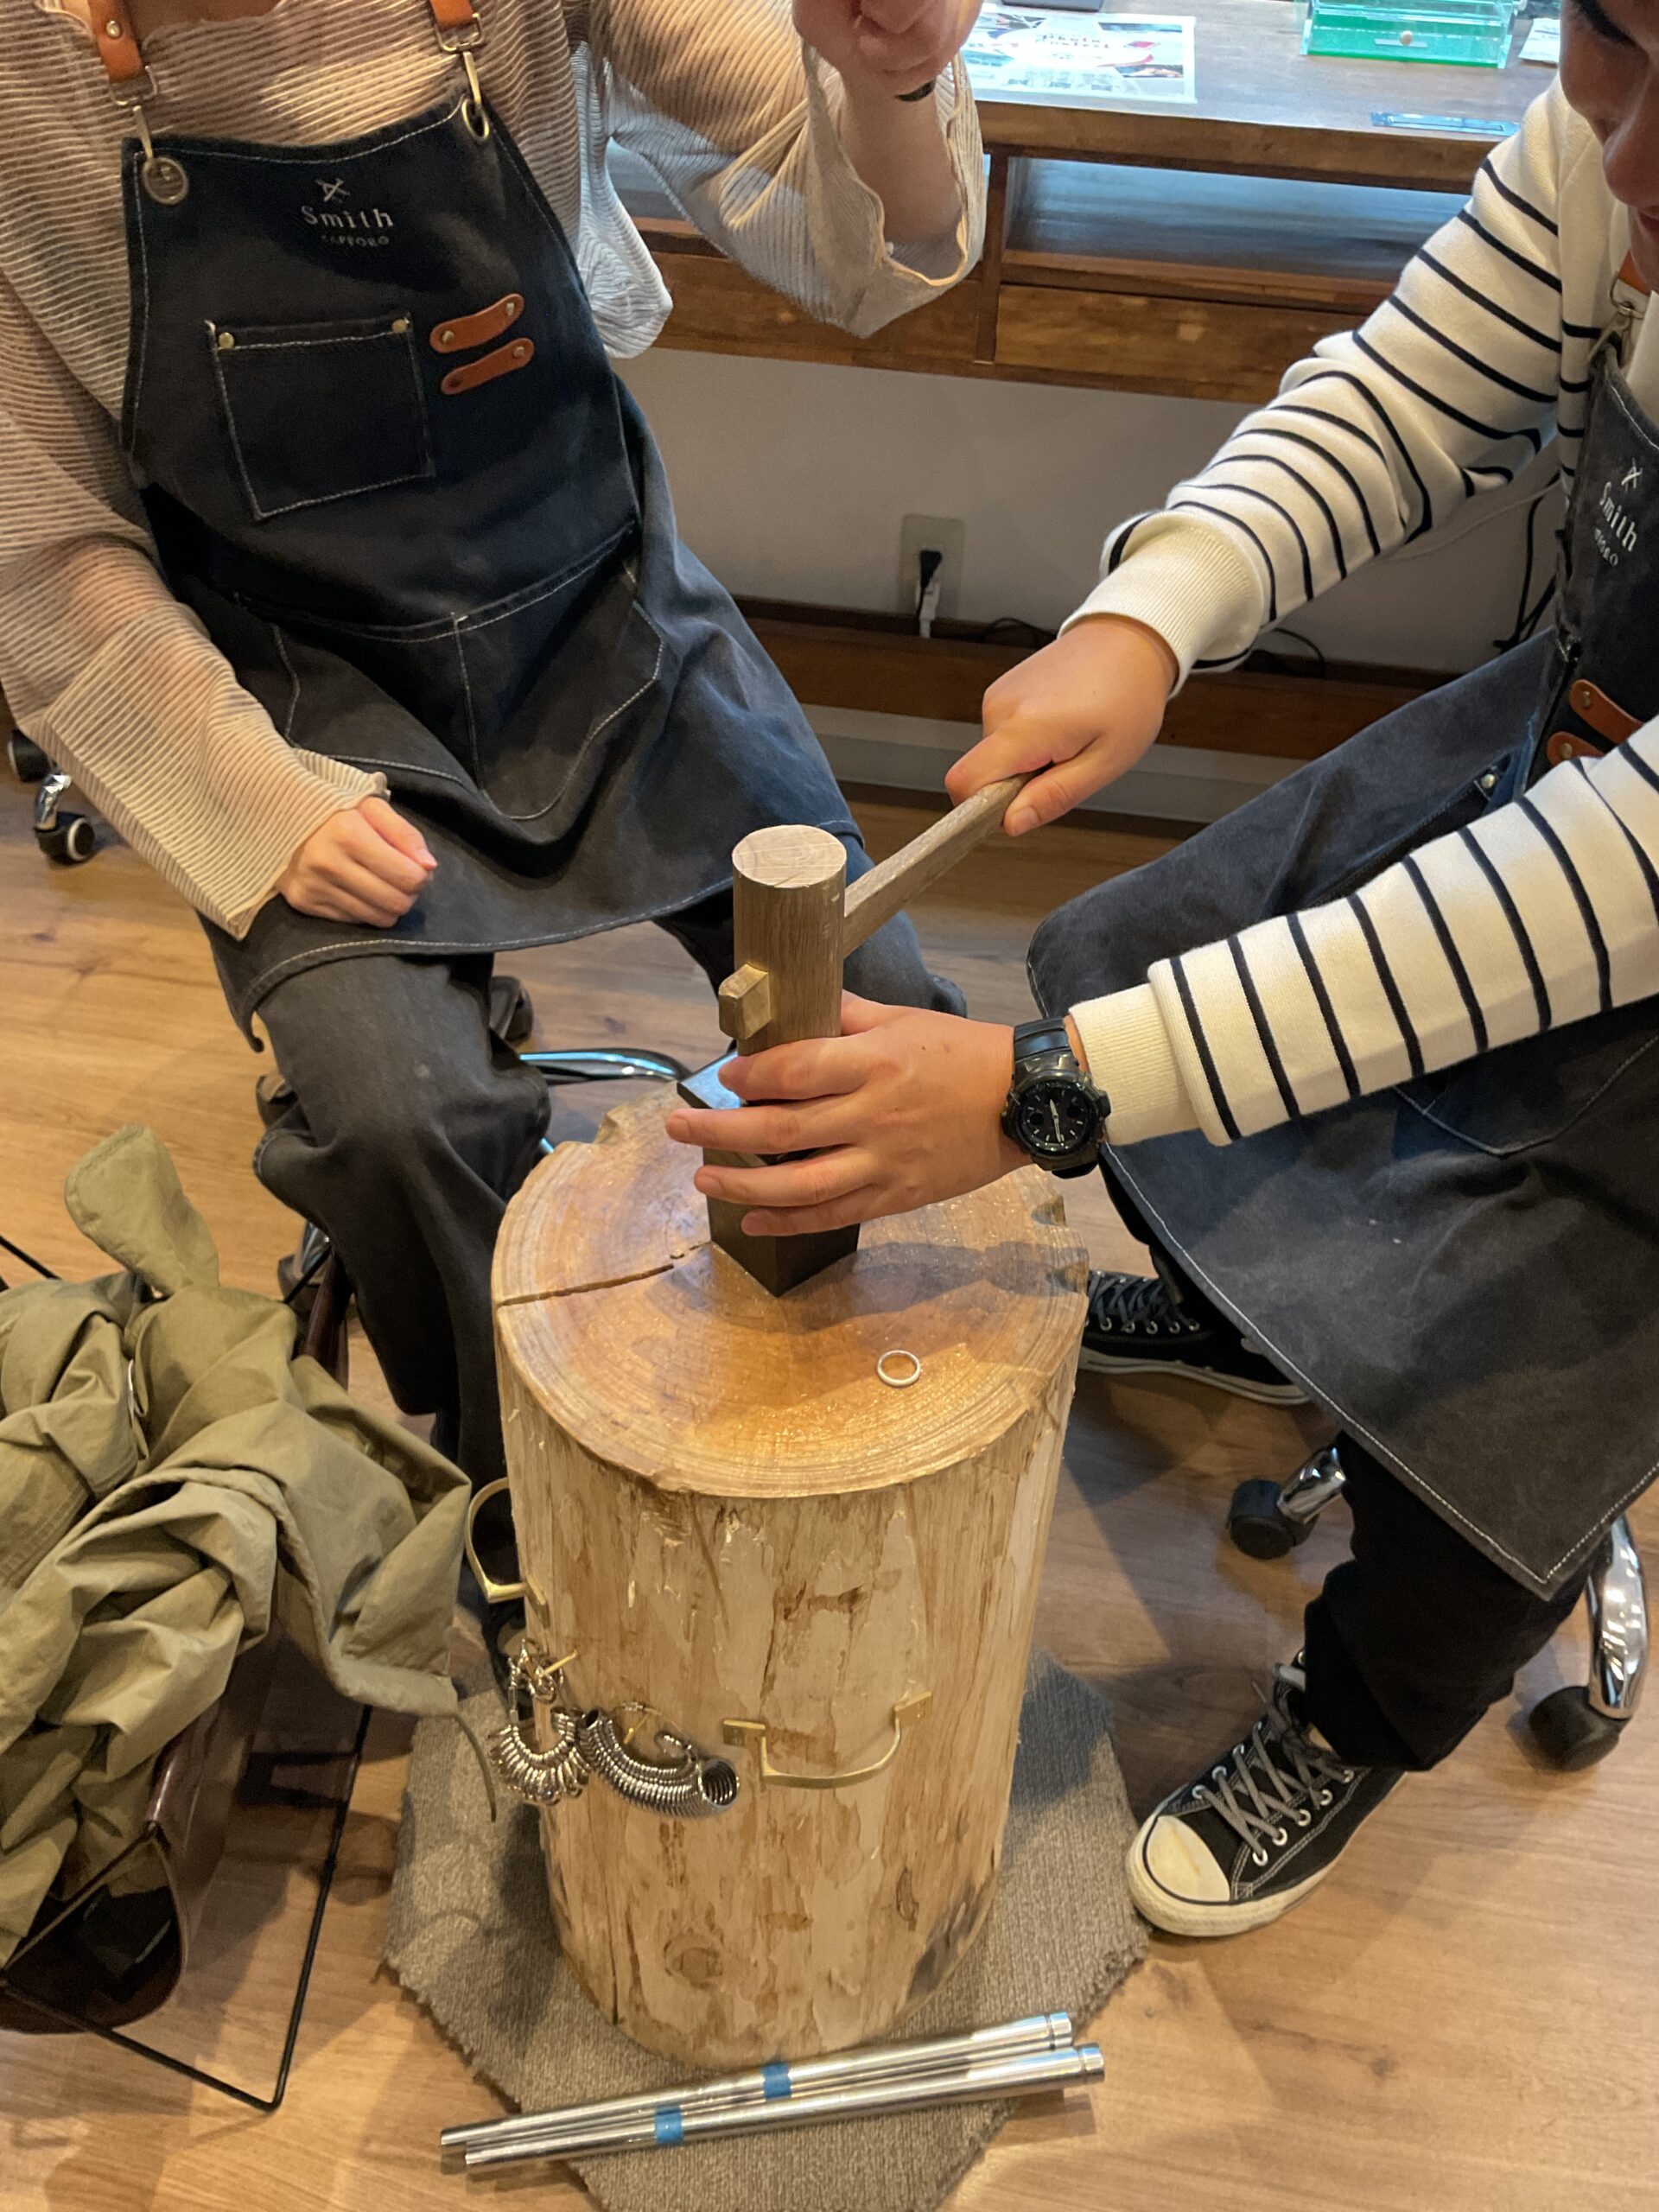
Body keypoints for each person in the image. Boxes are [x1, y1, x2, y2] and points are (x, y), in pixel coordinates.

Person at [668, 0, 1659, 1940]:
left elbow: (1599, 895)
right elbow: (1415, 386)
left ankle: (1356, 1712)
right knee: (1151, 954)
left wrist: (1045, 1095)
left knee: (1526, 1385)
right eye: (1612, 38)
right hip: (1572, 745)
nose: (1627, 159)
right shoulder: (1598, 148)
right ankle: (1260, 1319)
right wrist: (1156, 609)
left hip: (1625, 878)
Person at [0, 0, 984, 1645]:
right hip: (289, 697)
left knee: (881, 1009)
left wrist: (894, 79)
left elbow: (865, 239)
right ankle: (525, 1497)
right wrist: (244, 800)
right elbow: (39, 543)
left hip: (604, 615)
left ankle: (872, 1408)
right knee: (405, 1122)